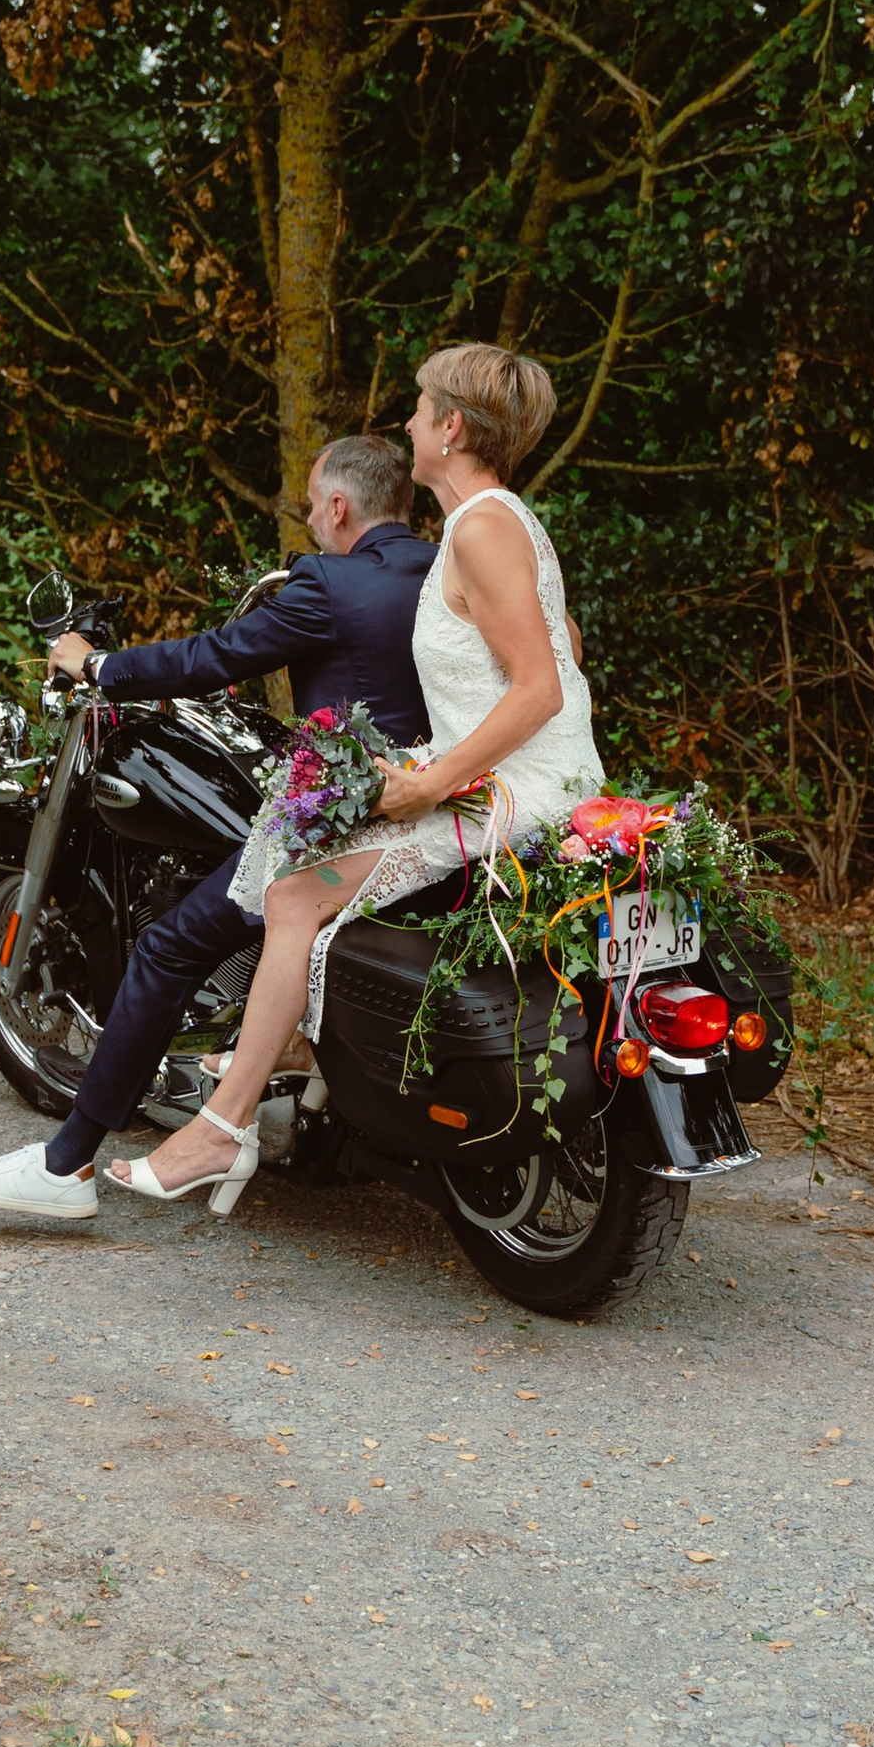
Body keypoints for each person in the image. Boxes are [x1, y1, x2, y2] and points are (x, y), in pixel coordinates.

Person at [107, 342, 604, 1212]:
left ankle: (220, 1131)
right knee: (305, 878)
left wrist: (431, 781)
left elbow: (541, 687)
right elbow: (571, 659)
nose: (407, 423)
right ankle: (298, 1049)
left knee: (295, 893)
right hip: (520, 774)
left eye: (418, 407)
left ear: (451, 427)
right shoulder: (499, 519)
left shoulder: (483, 525)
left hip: (511, 789)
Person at [0, 430, 433, 1223]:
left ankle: (64, 1167)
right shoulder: (442, 570)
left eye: (313, 506)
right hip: (438, 812)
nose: (311, 519)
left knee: (171, 944)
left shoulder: (328, 583)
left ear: (340, 506)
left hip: (347, 822)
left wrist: (97, 664)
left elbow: (216, 658)